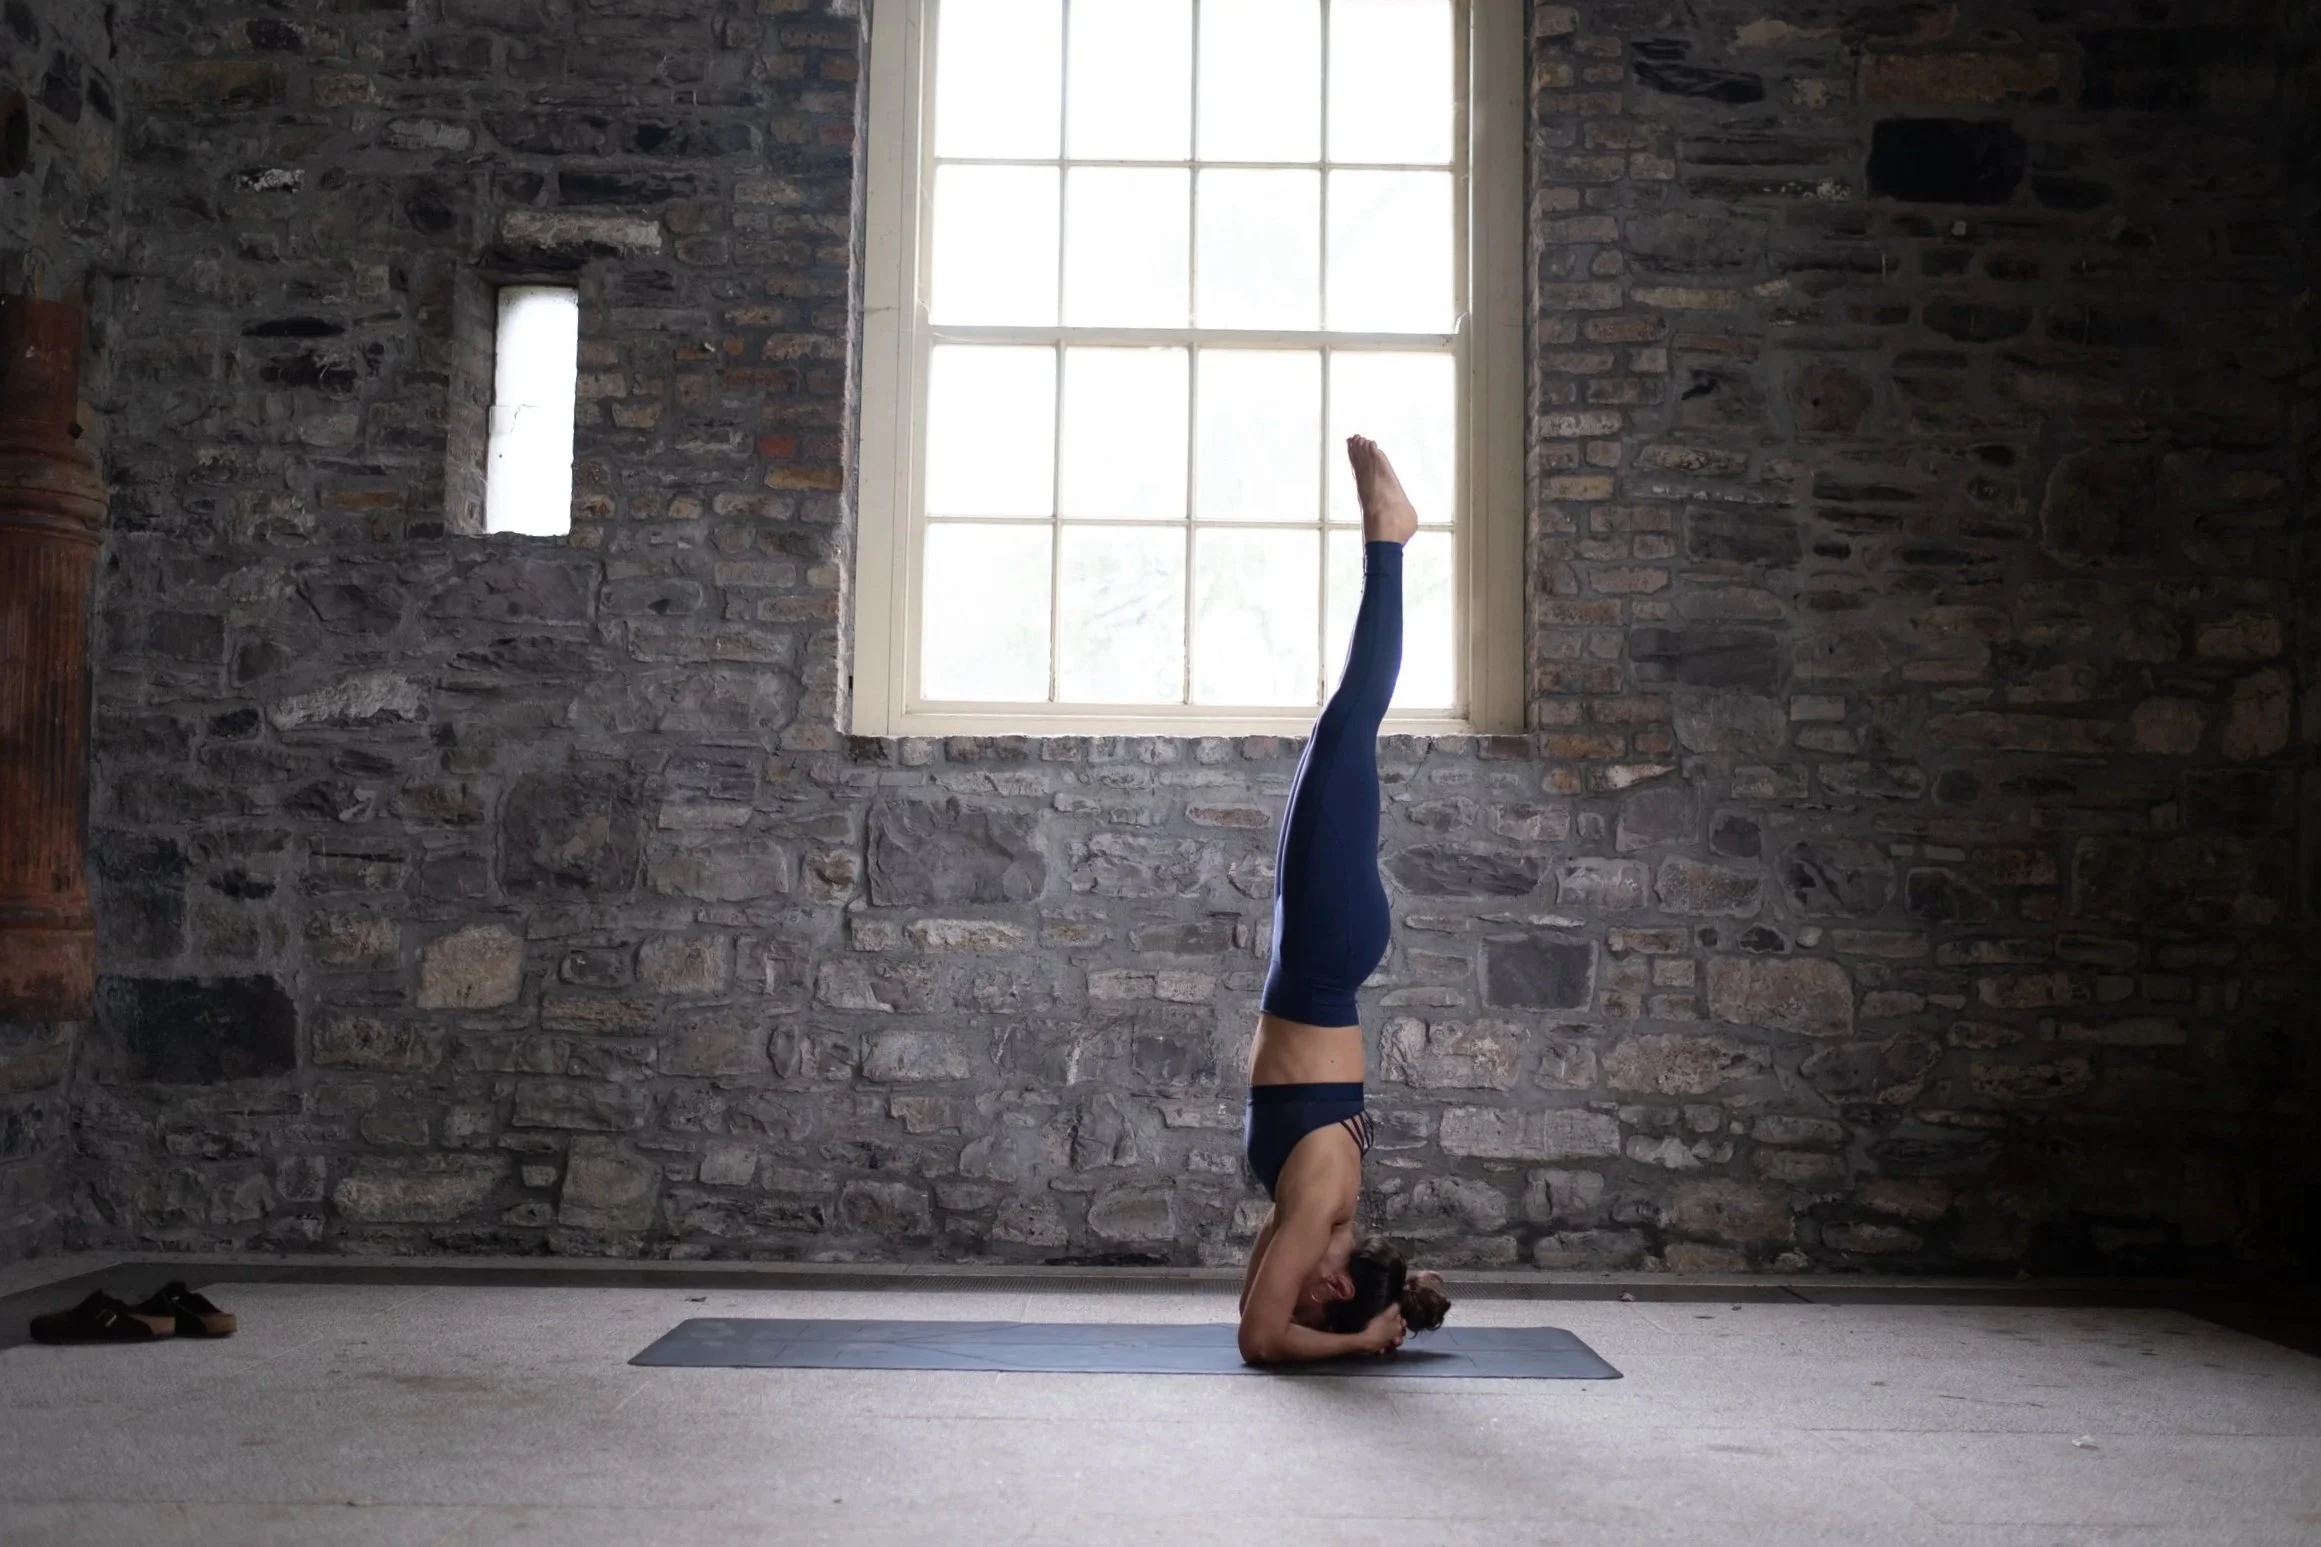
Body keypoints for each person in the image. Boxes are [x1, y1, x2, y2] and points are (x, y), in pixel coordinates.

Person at [1236, 436, 1452, 1366]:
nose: (1290, 1282)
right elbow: (1260, 1341)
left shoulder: (1308, 1214)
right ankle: (1390, 542)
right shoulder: (1324, 1198)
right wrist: (1363, 1338)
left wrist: (1363, 1326)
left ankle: (1388, 541)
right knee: (1347, 721)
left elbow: (1255, 1317)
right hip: (1324, 960)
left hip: (1309, 957)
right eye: (1312, 1292)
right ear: (1329, 1286)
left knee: (1335, 730)